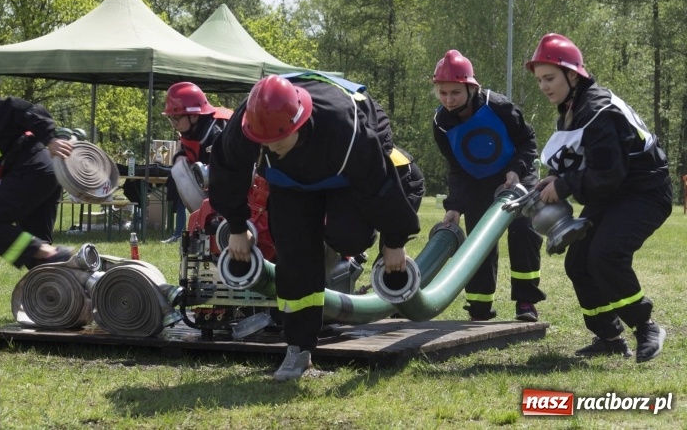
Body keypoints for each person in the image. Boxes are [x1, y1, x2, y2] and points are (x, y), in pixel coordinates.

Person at [209, 73, 424, 381]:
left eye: (278, 141)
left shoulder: (347, 129)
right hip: (291, 183)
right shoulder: (249, 122)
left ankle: (339, 240)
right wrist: (236, 225)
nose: (270, 148)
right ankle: (298, 350)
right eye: (263, 143)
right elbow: (226, 169)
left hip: (346, 171)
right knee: (295, 258)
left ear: (298, 123)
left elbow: (379, 185)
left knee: (349, 238)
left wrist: (394, 240)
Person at [527, 33, 672, 363]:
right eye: (539, 80)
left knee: (605, 254)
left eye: (550, 78)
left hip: (644, 193)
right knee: (578, 261)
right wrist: (557, 177)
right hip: (615, 192)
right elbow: (588, 161)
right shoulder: (574, 108)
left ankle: (646, 326)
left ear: (573, 75)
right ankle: (608, 337)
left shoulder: (594, 109)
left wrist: (563, 187)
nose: (544, 87)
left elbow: (608, 173)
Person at [431, 50, 545, 322]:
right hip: (477, 182)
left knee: (522, 231)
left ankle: (526, 301)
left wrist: (515, 172)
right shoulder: (441, 125)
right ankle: (480, 307)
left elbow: (527, 141)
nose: (448, 100)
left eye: (455, 93)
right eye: (443, 93)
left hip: (516, 172)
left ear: (471, 88)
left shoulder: (498, 106)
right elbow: (457, 167)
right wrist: (455, 207)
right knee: (479, 241)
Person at [0, 84, 75, 269]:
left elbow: (27, 109)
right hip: (39, 174)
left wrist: (50, 138)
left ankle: (51, 253)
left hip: (34, 169)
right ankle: (68, 286)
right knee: (38, 260)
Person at [159, 82, 228, 243]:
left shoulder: (218, 132)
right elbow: (184, 150)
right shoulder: (191, 130)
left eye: (176, 118)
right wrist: (179, 158)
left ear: (195, 115)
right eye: (171, 119)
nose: (173, 124)